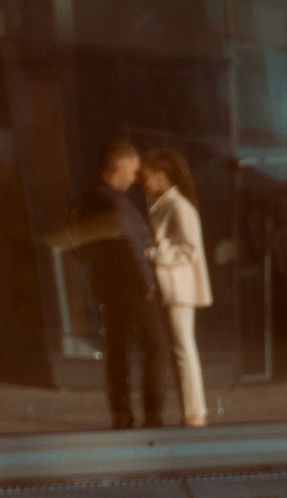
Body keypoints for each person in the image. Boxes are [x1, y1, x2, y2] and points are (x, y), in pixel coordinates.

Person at [72, 134, 169, 430]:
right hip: (131, 289)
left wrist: (102, 265)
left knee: (117, 352)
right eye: (132, 169)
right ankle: (151, 415)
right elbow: (128, 245)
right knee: (158, 346)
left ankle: (122, 414)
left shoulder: (92, 198)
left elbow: (80, 242)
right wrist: (146, 281)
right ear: (117, 167)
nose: (135, 176)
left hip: (110, 287)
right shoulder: (109, 201)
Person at [140, 147, 211, 426]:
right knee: (181, 348)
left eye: (145, 176)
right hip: (172, 286)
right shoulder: (166, 203)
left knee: (183, 348)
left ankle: (195, 411)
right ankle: (192, 411)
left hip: (179, 287)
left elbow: (188, 249)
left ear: (162, 176)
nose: (141, 181)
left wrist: (155, 254)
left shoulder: (178, 206)